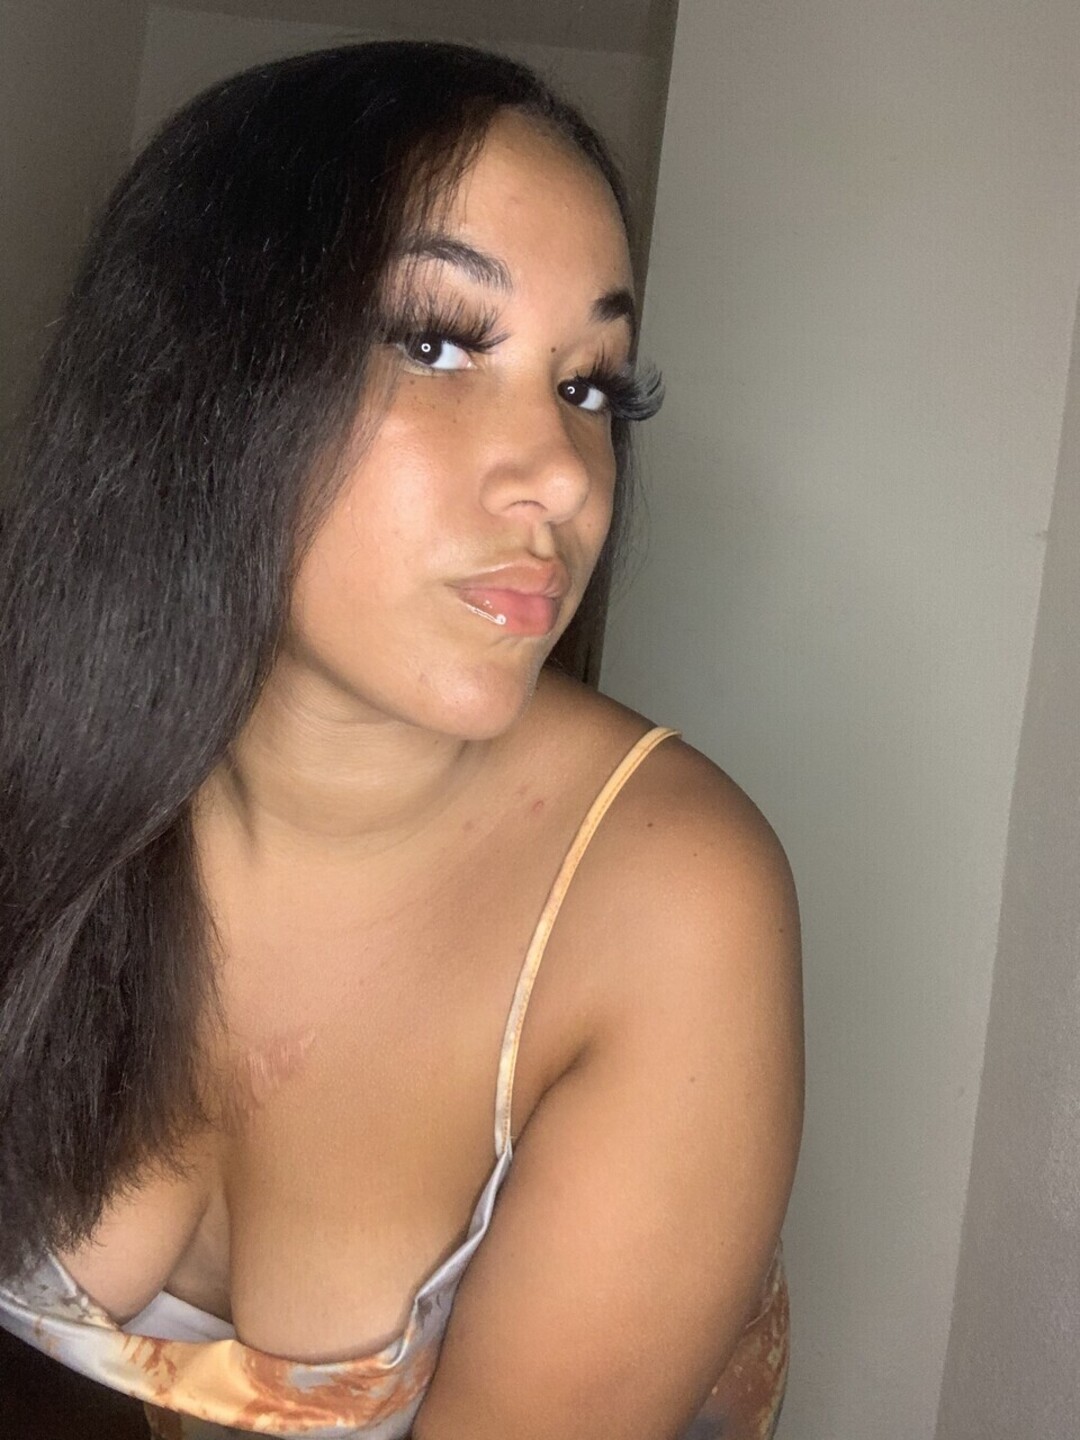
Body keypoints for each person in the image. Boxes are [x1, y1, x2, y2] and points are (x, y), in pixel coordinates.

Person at [0, 39, 803, 1440]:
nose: (564, 477)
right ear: (203, 375)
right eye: (437, 341)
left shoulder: (668, 904)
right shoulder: (34, 757)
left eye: (591, 385)